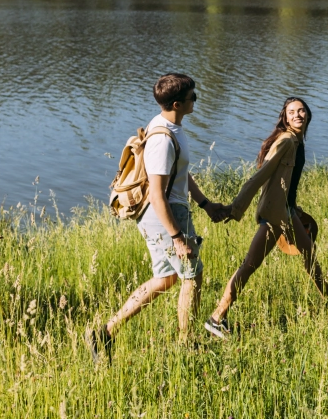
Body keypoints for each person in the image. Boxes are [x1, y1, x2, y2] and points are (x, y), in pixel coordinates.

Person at [86, 73, 231, 362]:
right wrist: (177, 236)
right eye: (193, 97)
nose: (196, 100)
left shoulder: (168, 125)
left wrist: (205, 203)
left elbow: (178, 172)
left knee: (165, 279)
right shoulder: (162, 140)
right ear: (177, 104)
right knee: (192, 275)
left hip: (169, 210)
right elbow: (156, 194)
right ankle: (186, 344)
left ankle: (104, 332)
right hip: (164, 214)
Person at [202, 97, 328, 340]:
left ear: (308, 115)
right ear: (285, 117)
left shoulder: (297, 143)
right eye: (291, 112)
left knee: (309, 253)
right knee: (250, 265)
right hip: (275, 216)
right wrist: (235, 208)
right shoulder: (287, 142)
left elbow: (284, 185)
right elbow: (259, 178)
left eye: (301, 110)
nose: (297, 115)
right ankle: (217, 317)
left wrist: (295, 208)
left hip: (287, 212)